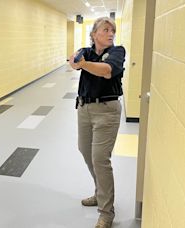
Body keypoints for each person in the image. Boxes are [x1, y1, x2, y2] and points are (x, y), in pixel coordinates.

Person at [68, 17, 125, 228]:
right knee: (85, 150)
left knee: (100, 158)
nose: (111, 34)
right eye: (106, 29)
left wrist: (83, 64)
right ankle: (99, 193)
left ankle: (106, 212)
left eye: (113, 30)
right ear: (94, 34)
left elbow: (106, 70)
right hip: (84, 108)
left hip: (107, 111)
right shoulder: (87, 51)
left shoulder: (118, 52)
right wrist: (76, 61)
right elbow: (75, 62)